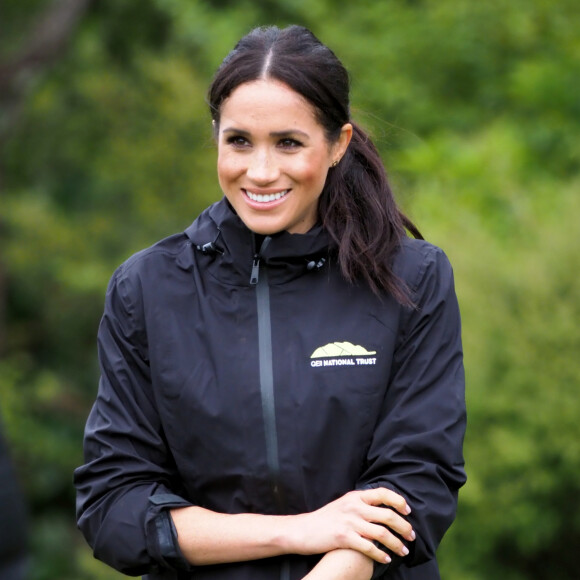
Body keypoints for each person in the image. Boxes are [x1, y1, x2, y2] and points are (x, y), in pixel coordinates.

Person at [74, 25, 466, 580]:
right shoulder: (146, 288)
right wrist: (294, 530)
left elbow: (418, 486)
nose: (260, 172)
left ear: (338, 144)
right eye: (239, 141)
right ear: (215, 137)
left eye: (288, 143)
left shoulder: (414, 277)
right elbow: (113, 508)